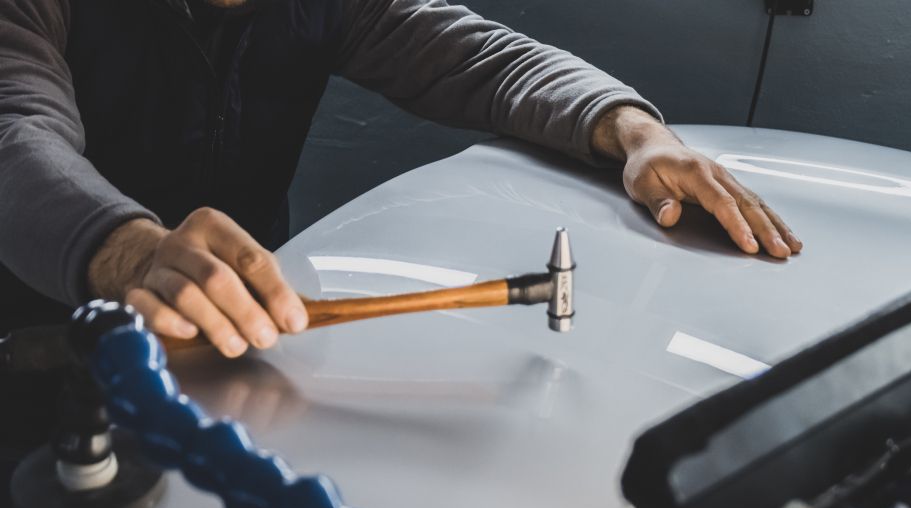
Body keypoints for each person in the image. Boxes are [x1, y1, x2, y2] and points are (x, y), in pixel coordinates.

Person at [0, 0, 802, 357]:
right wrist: (131, 253)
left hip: (246, 336)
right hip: (40, 340)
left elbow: (484, 60)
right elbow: (16, 134)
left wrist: (632, 131)